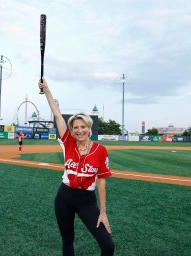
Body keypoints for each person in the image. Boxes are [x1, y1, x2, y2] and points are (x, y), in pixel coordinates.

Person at [38, 78, 115, 256]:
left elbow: (101, 183)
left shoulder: (100, 150)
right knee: (67, 241)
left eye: (83, 127)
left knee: (108, 246)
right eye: (75, 128)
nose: (79, 130)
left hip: (86, 200)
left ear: (89, 128)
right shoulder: (68, 143)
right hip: (64, 197)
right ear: (71, 131)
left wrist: (103, 212)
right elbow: (57, 115)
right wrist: (47, 89)